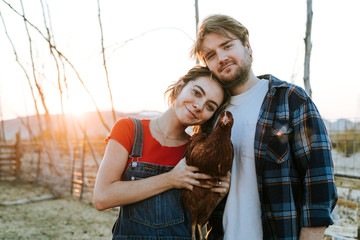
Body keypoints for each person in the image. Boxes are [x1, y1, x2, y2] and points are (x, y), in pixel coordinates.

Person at [191, 14, 338, 240]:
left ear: (247, 45)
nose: (221, 57)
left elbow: (319, 180)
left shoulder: (290, 100)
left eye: (227, 46)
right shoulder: (211, 116)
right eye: (211, 55)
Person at [93, 66, 232, 240]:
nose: (198, 106)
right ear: (179, 87)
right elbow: (102, 197)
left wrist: (217, 194)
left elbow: (196, 220)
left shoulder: (195, 153)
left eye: (210, 107)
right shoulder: (130, 130)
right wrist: (170, 179)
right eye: (197, 93)